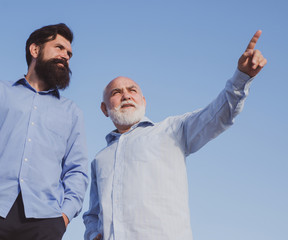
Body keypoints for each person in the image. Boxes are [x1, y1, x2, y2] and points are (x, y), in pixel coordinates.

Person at [83, 30, 267, 240]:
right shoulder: (100, 159)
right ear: (104, 108)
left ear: (143, 100)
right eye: (116, 93)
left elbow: (219, 115)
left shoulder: (172, 130)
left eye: (132, 90)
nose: (126, 95)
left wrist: (242, 77)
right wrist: (92, 234)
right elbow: (93, 214)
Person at [0, 23, 89, 240]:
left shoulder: (72, 112)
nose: (66, 56)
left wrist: (64, 217)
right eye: (59, 48)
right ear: (35, 50)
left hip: (44, 223)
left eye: (69, 53)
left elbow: (77, 171)